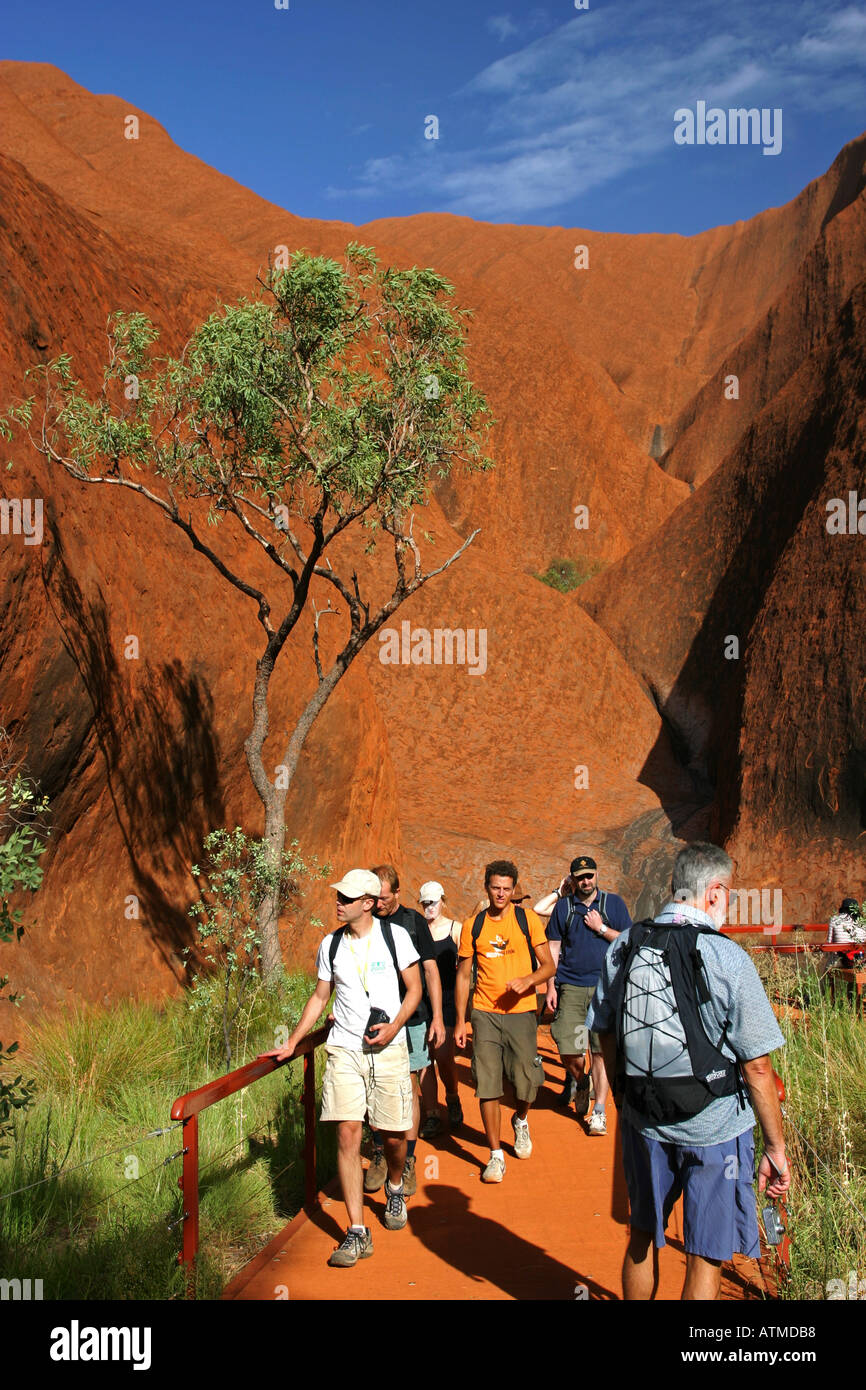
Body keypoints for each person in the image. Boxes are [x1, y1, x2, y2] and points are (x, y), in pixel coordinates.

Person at [586, 842, 791, 1301]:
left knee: (642, 1236)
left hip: (643, 1121)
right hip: (716, 1128)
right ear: (714, 892)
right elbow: (757, 1066)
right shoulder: (728, 957)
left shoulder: (624, 944)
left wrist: (625, 1098)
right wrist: (776, 1147)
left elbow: (603, 1031)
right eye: (730, 896)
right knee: (704, 1254)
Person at [265, 869, 422, 1268]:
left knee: (392, 1137)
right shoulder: (330, 945)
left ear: (368, 903)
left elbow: (415, 988)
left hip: (388, 1049)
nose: (339, 902)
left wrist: (394, 1028)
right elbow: (320, 998)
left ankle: (395, 1184)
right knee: (349, 1132)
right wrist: (294, 1040)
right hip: (345, 1050)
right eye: (339, 896)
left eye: (348, 898)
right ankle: (356, 1231)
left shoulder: (395, 937)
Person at [454, 860, 555, 1182]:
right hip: (484, 1012)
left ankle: (521, 1120)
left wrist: (528, 980)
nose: (501, 894)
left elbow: (549, 966)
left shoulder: (527, 920)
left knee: (527, 1079)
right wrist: (460, 1021)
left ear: (514, 890)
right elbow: (463, 976)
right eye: (496, 888)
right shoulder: (474, 925)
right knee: (487, 1082)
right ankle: (495, 1154)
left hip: (522, 1012)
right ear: (486, 887)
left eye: (507, 889)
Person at [363, 864, 445, 1200]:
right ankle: (380, 1151)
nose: (378, 904)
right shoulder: (365, 922)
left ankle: (408, 1159)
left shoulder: (413, 923)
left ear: (397, 893)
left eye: (383, 898)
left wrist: (438, 1017)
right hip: (374, 1017)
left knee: (409, 1086)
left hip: (412, 1018)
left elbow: (430, 971)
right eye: (373, 898)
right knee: (372, 1085)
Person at [544, 855, 632, 1135]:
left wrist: (601, 928)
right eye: (580, 877)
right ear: (571, 879)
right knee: (568, 1045)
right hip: (570, 987)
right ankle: (581, 1081)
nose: (586, 881)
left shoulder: (612, 904)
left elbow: (628, 942)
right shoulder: (564, 908)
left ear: (596, 875)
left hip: (605, 988)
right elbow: (554, 947)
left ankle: (599, 1112)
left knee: (599, 1051)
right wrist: (549, 986)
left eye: (589, 875)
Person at [416, 881, 464, 1137]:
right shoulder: (417, 931)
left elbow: (468, 970)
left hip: (447, 1001)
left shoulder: (456, 929)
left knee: (443, 1055)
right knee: (424, 1060)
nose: (429, 907)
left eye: (432, 902)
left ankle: (453, 1096)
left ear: (442, 901)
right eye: (424, 903)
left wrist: (462, 1012)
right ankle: (432, 1113)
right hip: (421, 1002)